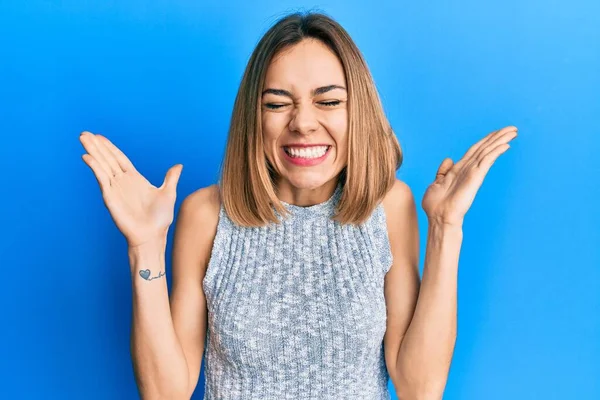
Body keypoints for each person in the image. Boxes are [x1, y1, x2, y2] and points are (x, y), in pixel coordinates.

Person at [79, 11, 517, 400]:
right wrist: (145, 245)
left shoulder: (390, 206)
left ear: (357, 111)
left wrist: (445, 227)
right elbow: (166, 391)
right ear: (255, 115)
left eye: (328, 101)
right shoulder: (206, 215)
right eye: (277, 103)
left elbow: (419, 388)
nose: (303, 123)